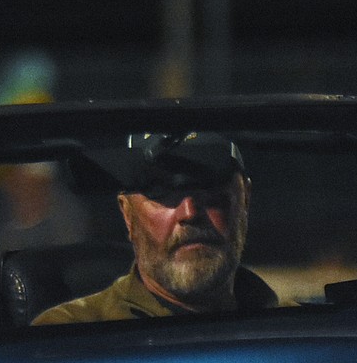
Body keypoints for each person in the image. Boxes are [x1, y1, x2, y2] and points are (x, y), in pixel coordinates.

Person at [31, 132, 278, 324]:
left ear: (244, 198)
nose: (189, 212)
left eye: (208, 186)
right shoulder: (70, 338)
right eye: (160, 191)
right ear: (127, 213)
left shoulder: (294, 328)